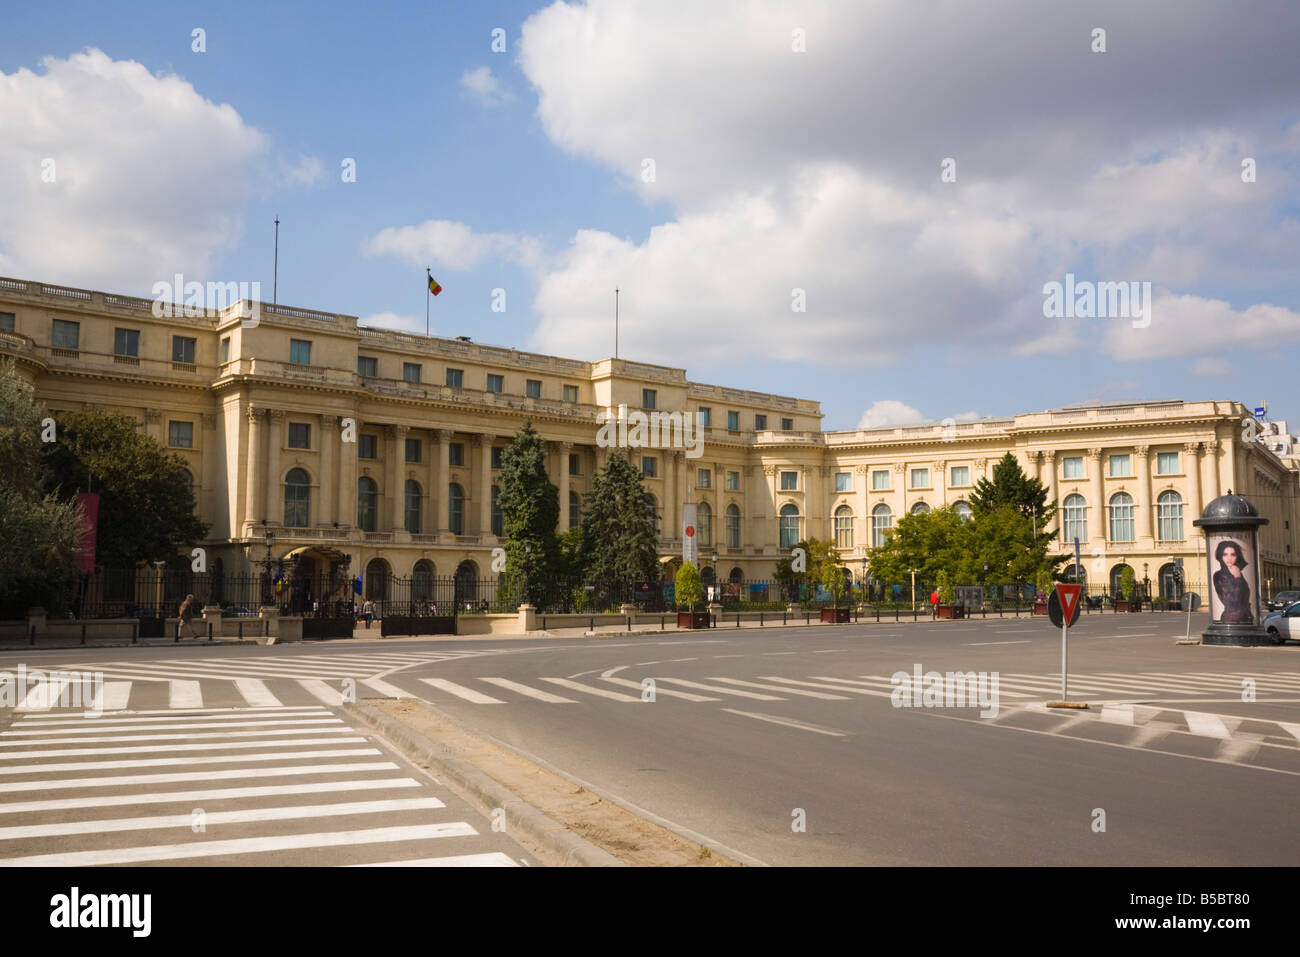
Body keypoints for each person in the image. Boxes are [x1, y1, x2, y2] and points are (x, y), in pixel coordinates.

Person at [1212, 540, 1253, 623]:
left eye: (1233, 555)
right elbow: (1232, 600)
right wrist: (1237, 578)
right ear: (1220, 556)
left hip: (1246, 619)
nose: (1229, 558)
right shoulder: (1219, 575)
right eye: (1225, 554)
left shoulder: (1237, 572)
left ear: (1237, 557)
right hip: (1231, 619)